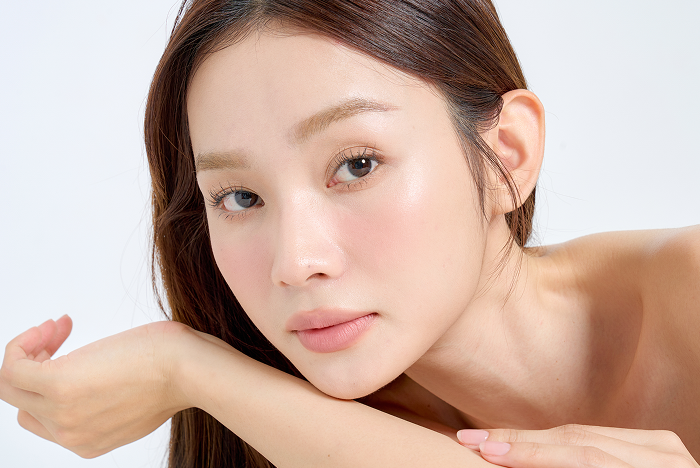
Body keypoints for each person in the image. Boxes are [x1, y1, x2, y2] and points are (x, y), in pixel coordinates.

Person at [1, 0, 698, 467]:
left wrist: (192, 373)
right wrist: (190, 370)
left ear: (508, 154)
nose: (296, 261)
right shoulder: (290, 436)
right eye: (240, 197)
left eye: (357, 165)